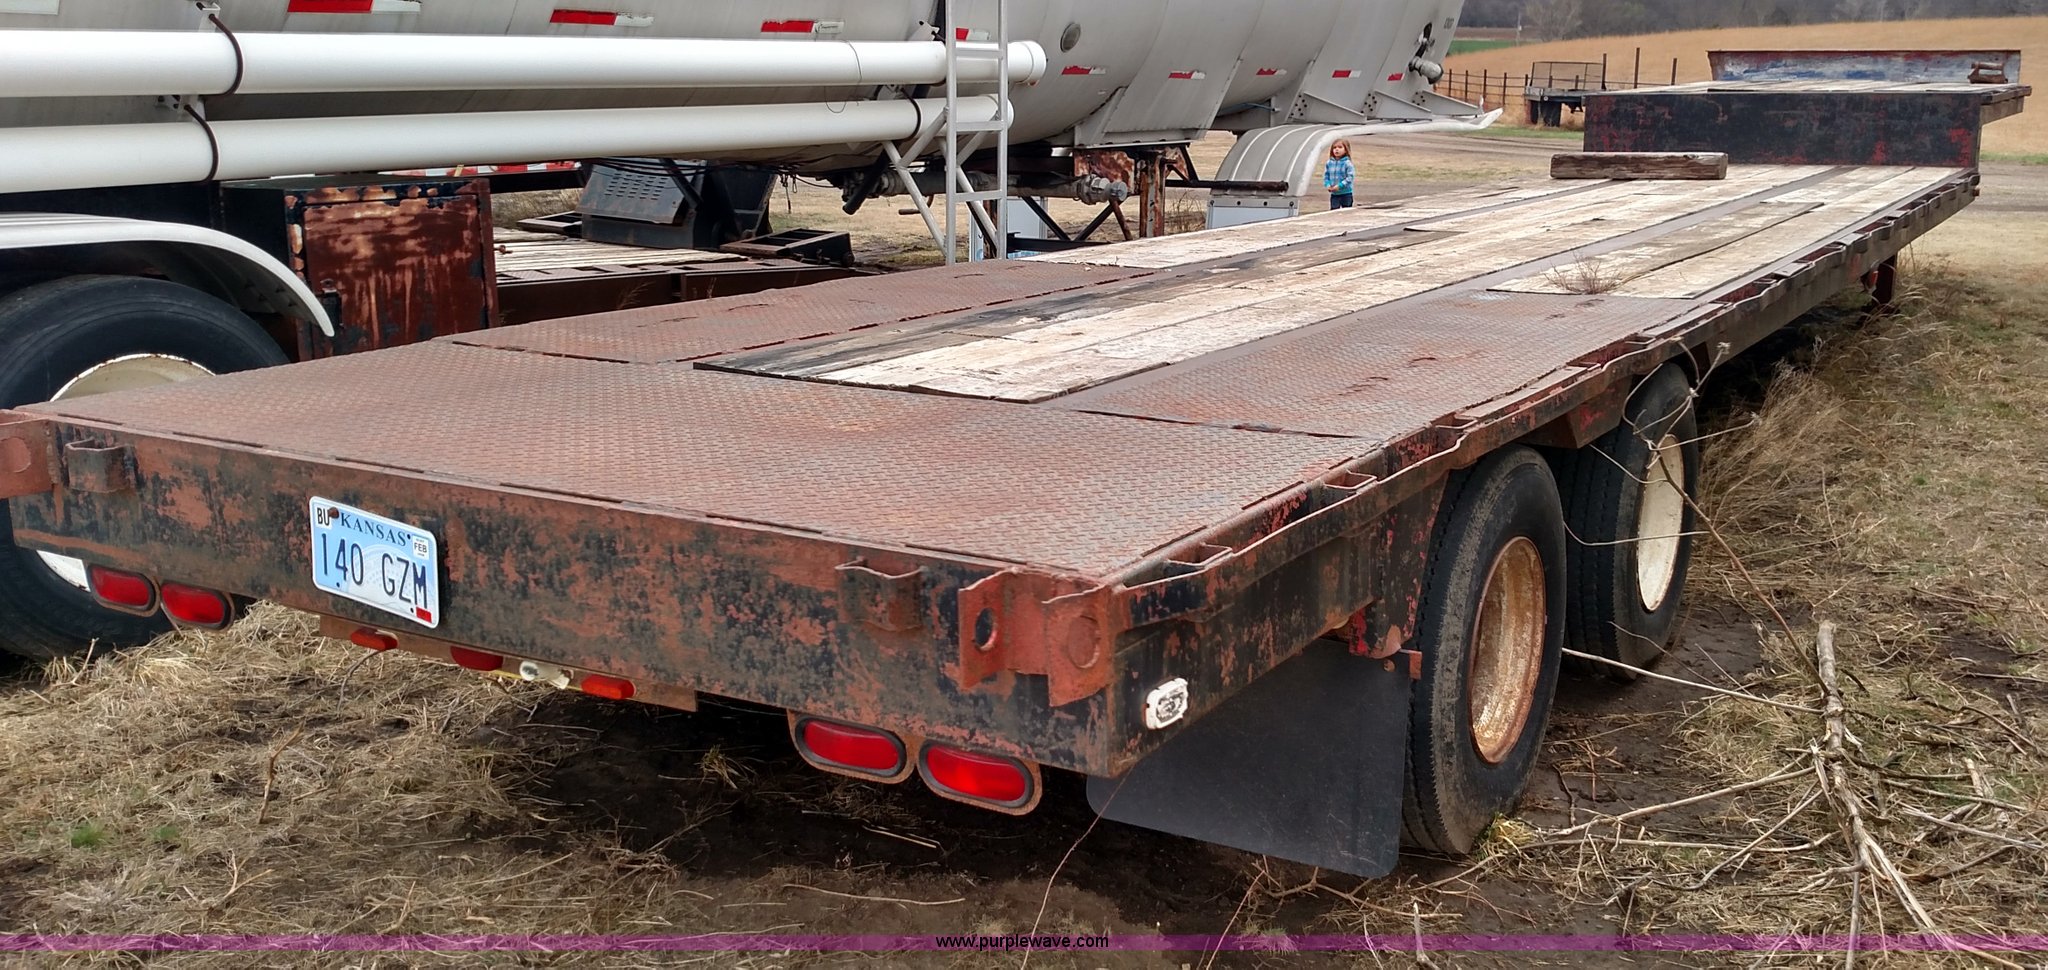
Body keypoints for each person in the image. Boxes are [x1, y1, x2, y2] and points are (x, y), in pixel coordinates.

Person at [1324, 139, 1356, 210]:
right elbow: (1326, 176)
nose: (1337, 149)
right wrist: (1328, 184)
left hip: (1346, 193)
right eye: (1334, 148)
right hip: (1334, 194)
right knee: (1334, 211)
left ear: (1346, 150)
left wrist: (1340, 185)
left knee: (1346, 211)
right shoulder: (1329, 163)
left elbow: (1350, 177)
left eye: (1340, 147)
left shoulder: (1347, 163)